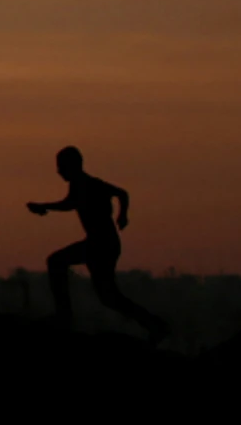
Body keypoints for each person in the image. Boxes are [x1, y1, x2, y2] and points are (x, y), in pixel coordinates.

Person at [28, 146, 170, 345]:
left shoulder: (89, 184)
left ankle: (64, 315)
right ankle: (155, 325)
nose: (59, 171)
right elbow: (71, 203)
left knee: (56, 262)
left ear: (73, 165)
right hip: (100, 243)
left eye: (62, 167)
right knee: (109, 296)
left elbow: (121, 193)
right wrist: (44, 207)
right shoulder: (79, 185)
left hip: (102, 244)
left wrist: (123, 215)